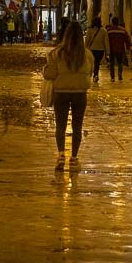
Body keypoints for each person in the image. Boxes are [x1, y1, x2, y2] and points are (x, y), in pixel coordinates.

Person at [43, 19, 92, 172]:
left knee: (60, 126)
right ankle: (74, 159)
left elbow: (49, 74)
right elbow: (90, 72)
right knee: (77, 127)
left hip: (61, 93)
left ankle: (61, 156)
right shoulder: (87, 55)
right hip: (80, 93)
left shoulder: (57, 53)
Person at [106, 16, 131, 81]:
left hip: (111, 49)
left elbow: (106, 40)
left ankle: (112, 77)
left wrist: (106, 49)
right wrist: (128, 48)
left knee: (112, 63)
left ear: (112, 22)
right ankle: (120, 75)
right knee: (120, 63)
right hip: (120, 49)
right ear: (118, 22)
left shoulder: (109, 30)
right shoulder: (123, 30)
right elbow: (127, 40)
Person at [85, 16, 108, 83]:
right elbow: (106, 42)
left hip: (92, 50)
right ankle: (95, 75)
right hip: (100, 50)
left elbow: (87, 41)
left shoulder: (90, 30)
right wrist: (107, 51)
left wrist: (85, 49)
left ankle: (92, 74)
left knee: (92, 63)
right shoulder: (104, 31)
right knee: (97, 63)